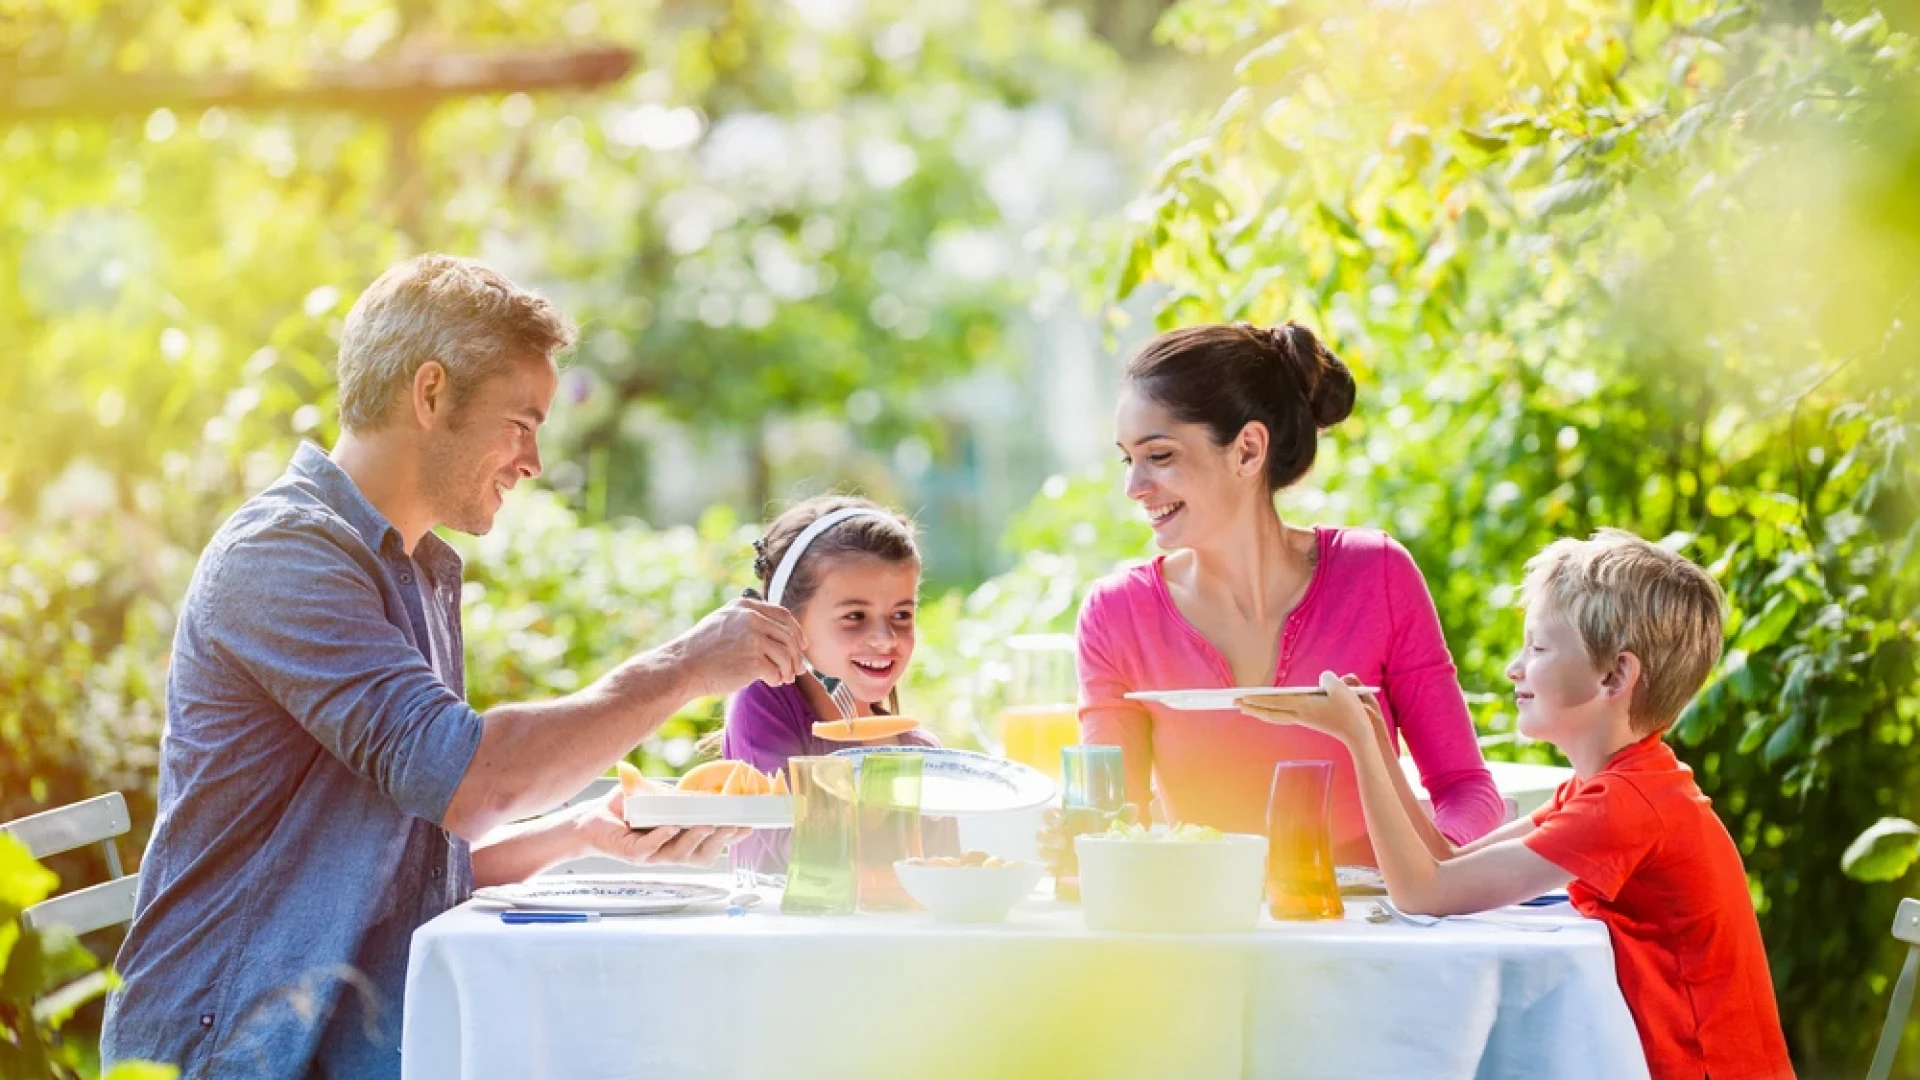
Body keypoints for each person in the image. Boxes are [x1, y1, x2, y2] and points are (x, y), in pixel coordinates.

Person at [101, 254, 803, 1080]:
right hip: (241, 1052)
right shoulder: (283, 558)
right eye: (521, 422)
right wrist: (686, 666)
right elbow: (472, 784)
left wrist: (580, 833)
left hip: (353, 1033)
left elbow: (409, 861)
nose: (533, 460)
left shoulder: (416, 570)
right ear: (430, 394)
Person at [1246, 530, 1793, 1079]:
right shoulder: (1613, 785)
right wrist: (1373, 736)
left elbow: (1422, 893)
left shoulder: (1625, 805)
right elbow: (1445, 863)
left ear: (1615, 676)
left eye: (1538, 648)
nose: (1515, 667)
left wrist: (1359, 747)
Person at [1074, 322, 1502, 861]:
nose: (1134, 487)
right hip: (1209, 934)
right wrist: (1079, 842)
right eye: (1126, 459)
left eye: (1159, 456)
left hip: (1379, 929)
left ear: (1248, 450)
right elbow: (1113, 821)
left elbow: (1466, 789)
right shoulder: (1117, 615)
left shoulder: (1378, 577)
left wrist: (1437, 867)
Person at [721, 495, 937, 770]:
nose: (886, 639)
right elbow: (785, 811)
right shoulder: (763, 702)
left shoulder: (922, 752)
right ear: (787, 621)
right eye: (855, 616)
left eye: (901, 615)